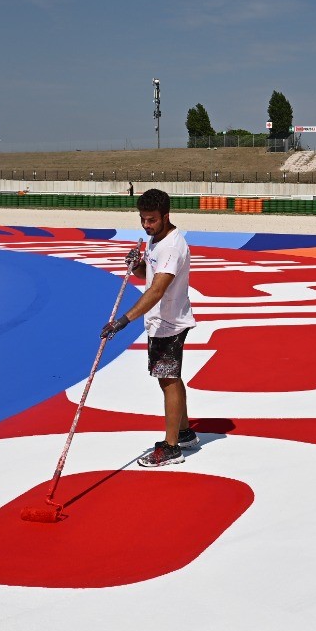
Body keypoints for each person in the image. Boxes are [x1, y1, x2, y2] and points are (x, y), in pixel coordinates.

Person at [101, 188, 197, 466]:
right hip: (161, 320)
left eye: (152, 220)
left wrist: (122, 321)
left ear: (166, 216)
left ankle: (171, 447)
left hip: (168, 322)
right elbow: (148, 275)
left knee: (168, 380)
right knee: (171, 378)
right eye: (143, 219)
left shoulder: (172, 246)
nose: (146, 225)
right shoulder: (157, 239)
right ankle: (184, 432)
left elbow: (156, 291)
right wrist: (137, 265)